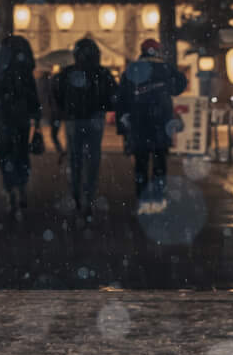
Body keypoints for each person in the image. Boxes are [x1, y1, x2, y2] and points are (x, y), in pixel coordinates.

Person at [116, 37, 187, 206]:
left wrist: (123, 123)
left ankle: (142, 195)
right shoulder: (165, 68)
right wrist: (166, 87)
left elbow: (121, 97)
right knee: (160, 161)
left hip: (139, 121)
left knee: (141, 161)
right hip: (161, 121)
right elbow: (180, 84)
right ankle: (158, 195)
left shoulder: (132, 70)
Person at [52, 36, 115, 219]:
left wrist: (64, 111)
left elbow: (57, 95)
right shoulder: (102, 73)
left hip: (74, 119)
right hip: (95, 118)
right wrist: (104, 106)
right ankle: (89, 196)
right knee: (93, 159)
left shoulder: (67, 73)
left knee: (75, 158)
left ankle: (76, 195)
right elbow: (113, 95)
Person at [0, 36, 44, 220]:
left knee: (5, 154)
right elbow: (33, 96)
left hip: (5, 119)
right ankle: (21, 187)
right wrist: (37, 119)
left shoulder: (2, 71)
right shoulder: (25, 71)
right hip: (21, 119)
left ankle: (10, 190)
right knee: (21, 154)